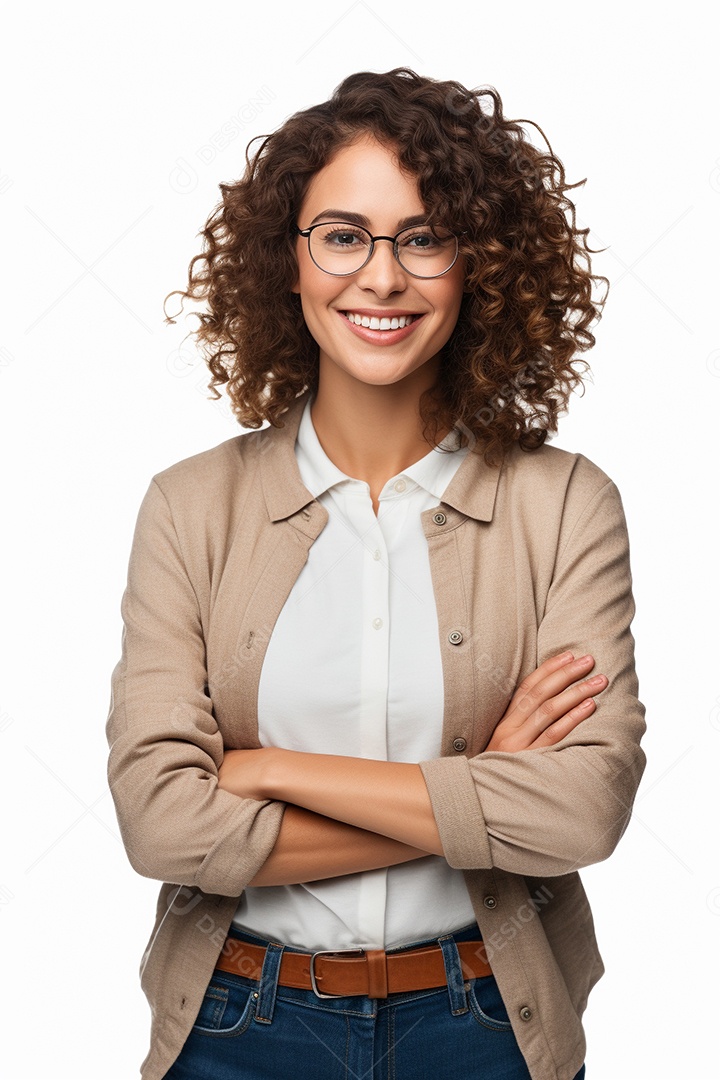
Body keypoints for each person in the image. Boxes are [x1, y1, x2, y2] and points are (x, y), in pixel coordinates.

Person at [106, 68, 646, 1080]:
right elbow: (161, 820)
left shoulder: (565, 504)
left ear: (480, 264)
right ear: (290, 261)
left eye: (425, 237)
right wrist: (481, 796)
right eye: (345, 235)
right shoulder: (190, 507)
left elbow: (580, 811)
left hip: (486, 1022)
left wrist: (269, 771)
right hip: (238, 1026)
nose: (383, 278)